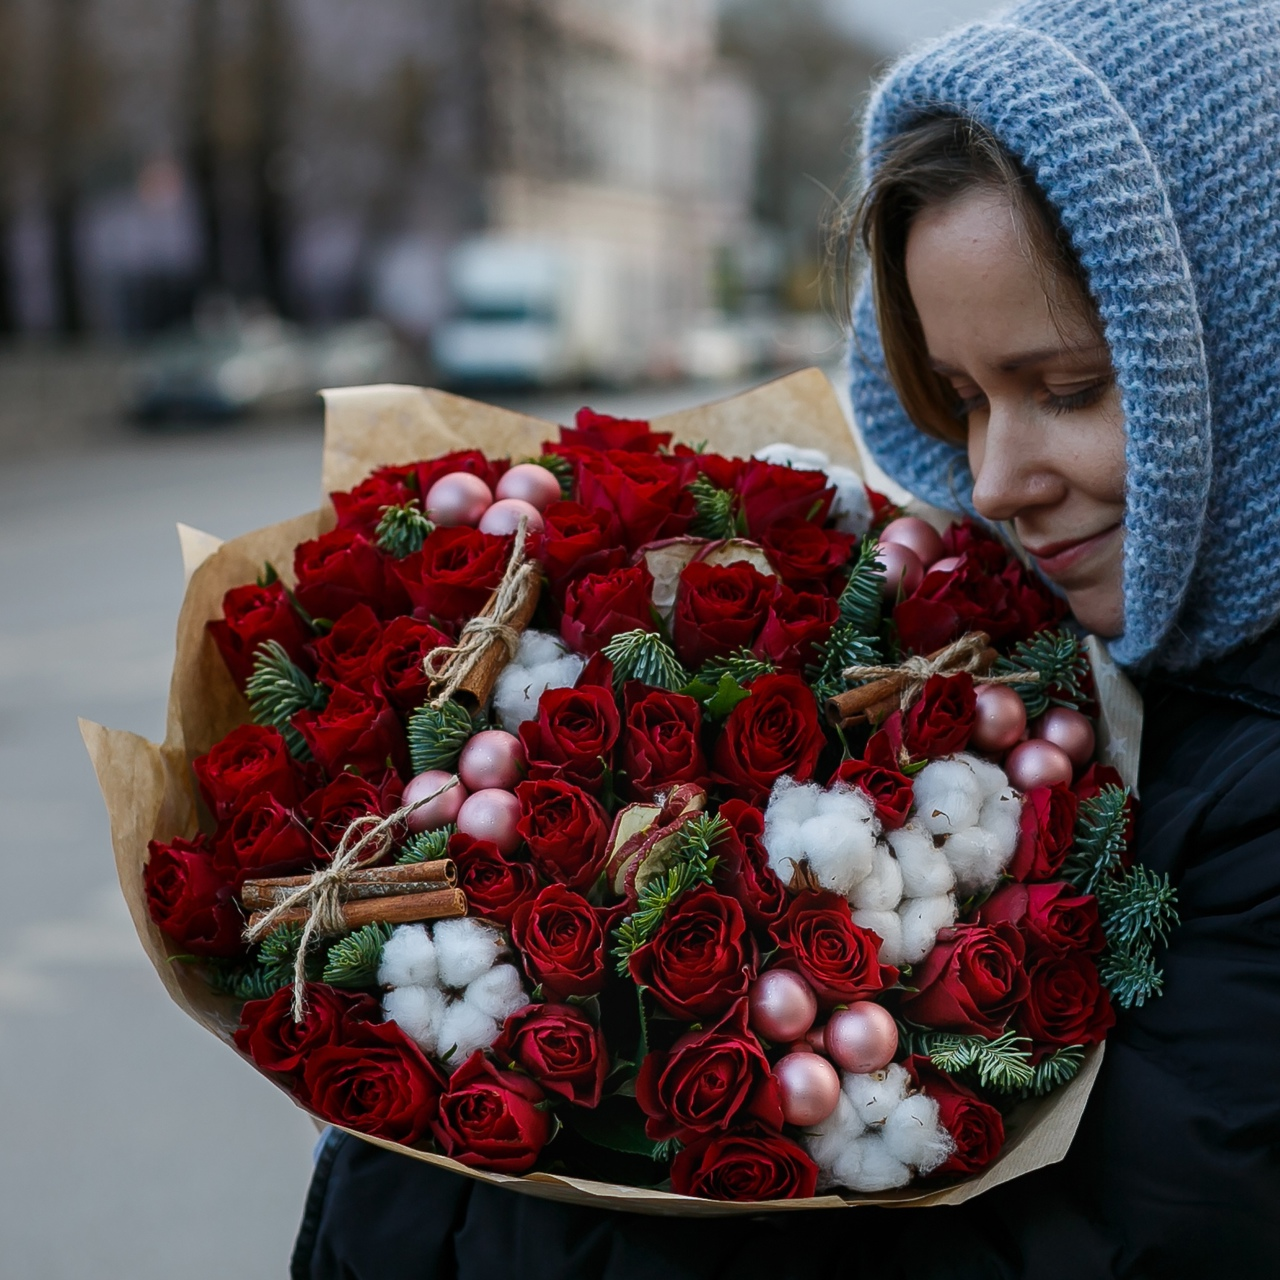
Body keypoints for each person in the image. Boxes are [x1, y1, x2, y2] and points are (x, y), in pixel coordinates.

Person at [292, 2, 1280, 1275]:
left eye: (1071, 389)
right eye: (964, 399)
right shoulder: (1037, 674)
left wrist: (469, 1196)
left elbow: (1135, 1233)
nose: (990, 479)